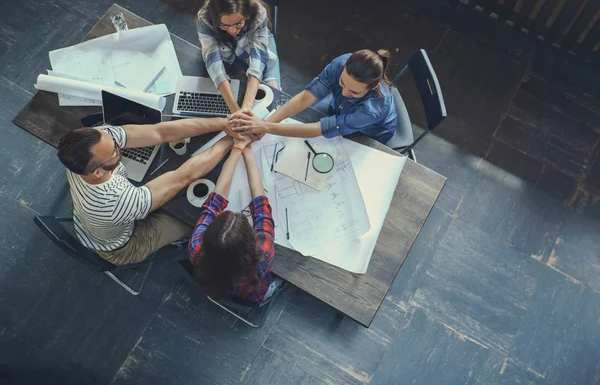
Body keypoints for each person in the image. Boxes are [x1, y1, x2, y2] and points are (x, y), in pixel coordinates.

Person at [57, 117, 236, 265]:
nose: (118, 142)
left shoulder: (90, 145)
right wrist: (230, 140)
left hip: (95, 221)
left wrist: (223, 123)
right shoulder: (116, 199)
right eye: (114, 150)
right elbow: (184, 177)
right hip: (122, 248)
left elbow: (159, 131)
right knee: (193, 220)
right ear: (98, 172)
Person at [229, 49, 398, 144]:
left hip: (371, 132)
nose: (345, 93)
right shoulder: (342, 63)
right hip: (340, 110)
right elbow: (305, 98)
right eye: (342, 82)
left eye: (354, 92)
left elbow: (317, 130)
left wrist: (265, 127)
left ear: (374, 86)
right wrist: (265, 123)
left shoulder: (372, 110)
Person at [188, 137, 281, 303]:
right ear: (252, 239)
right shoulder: (263, 253)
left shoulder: (196, 247)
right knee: (270, 286)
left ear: (208, 233)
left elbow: (214, 202)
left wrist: (237, 149)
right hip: (253, 294)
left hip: (216, 288)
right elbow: (261, 207)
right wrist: (248, 152)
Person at [197, 0, 280, 113]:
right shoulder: (204, 18)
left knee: (274, 95)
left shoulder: (258, 12)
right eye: (224, 25)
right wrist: (235, 110)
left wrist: (246, 108)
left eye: (238, 23)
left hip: (259, 47)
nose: (232, 30)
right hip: (228, 52)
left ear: (247, 15)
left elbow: (259, 57)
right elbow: (213, 62)